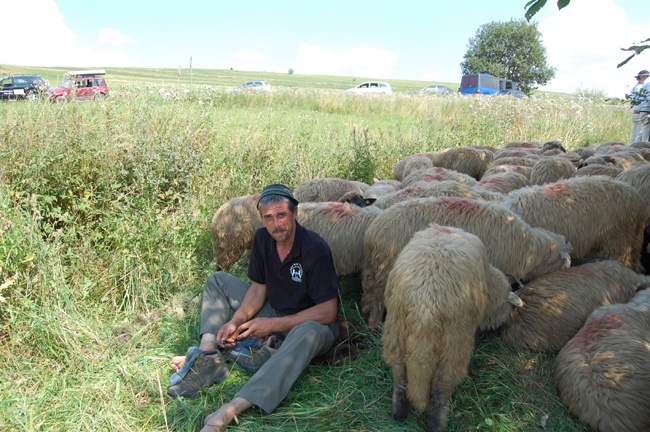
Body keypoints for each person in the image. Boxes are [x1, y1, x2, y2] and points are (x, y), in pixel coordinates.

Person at [168, 183, 340, 431]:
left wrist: (271, 325)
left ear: (295, 213)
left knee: (308, 331)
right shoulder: (262, 239)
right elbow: (259, 289)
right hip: (276, 312)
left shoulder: (315, 249)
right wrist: (235, 322)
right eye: (268, 218)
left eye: (281, 215)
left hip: (313, 326)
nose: (276, 224)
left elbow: (328, 312)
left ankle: (234, 407)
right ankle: (208, 357)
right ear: (262, 219)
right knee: (218, 280)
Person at [629, 69, 650, 143]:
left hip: (637, 111)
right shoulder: (642, 86)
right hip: (642, 110)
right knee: (641, 134)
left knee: (635, 135)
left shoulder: (636, 86)